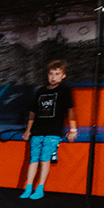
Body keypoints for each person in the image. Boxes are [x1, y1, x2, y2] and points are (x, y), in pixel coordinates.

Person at [20, 59, 78, 199]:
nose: (53, 77)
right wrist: (28, 130)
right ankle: (28, 188)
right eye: (51, 74)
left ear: (63, 75)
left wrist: (73, 129)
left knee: (45, 159)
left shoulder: (64, 90)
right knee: (33, 159)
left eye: (57, 74)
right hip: (38, 130)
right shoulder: (41, 91)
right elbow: (33, 112)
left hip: (53, 131)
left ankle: (40, 188)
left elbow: (70, 110)